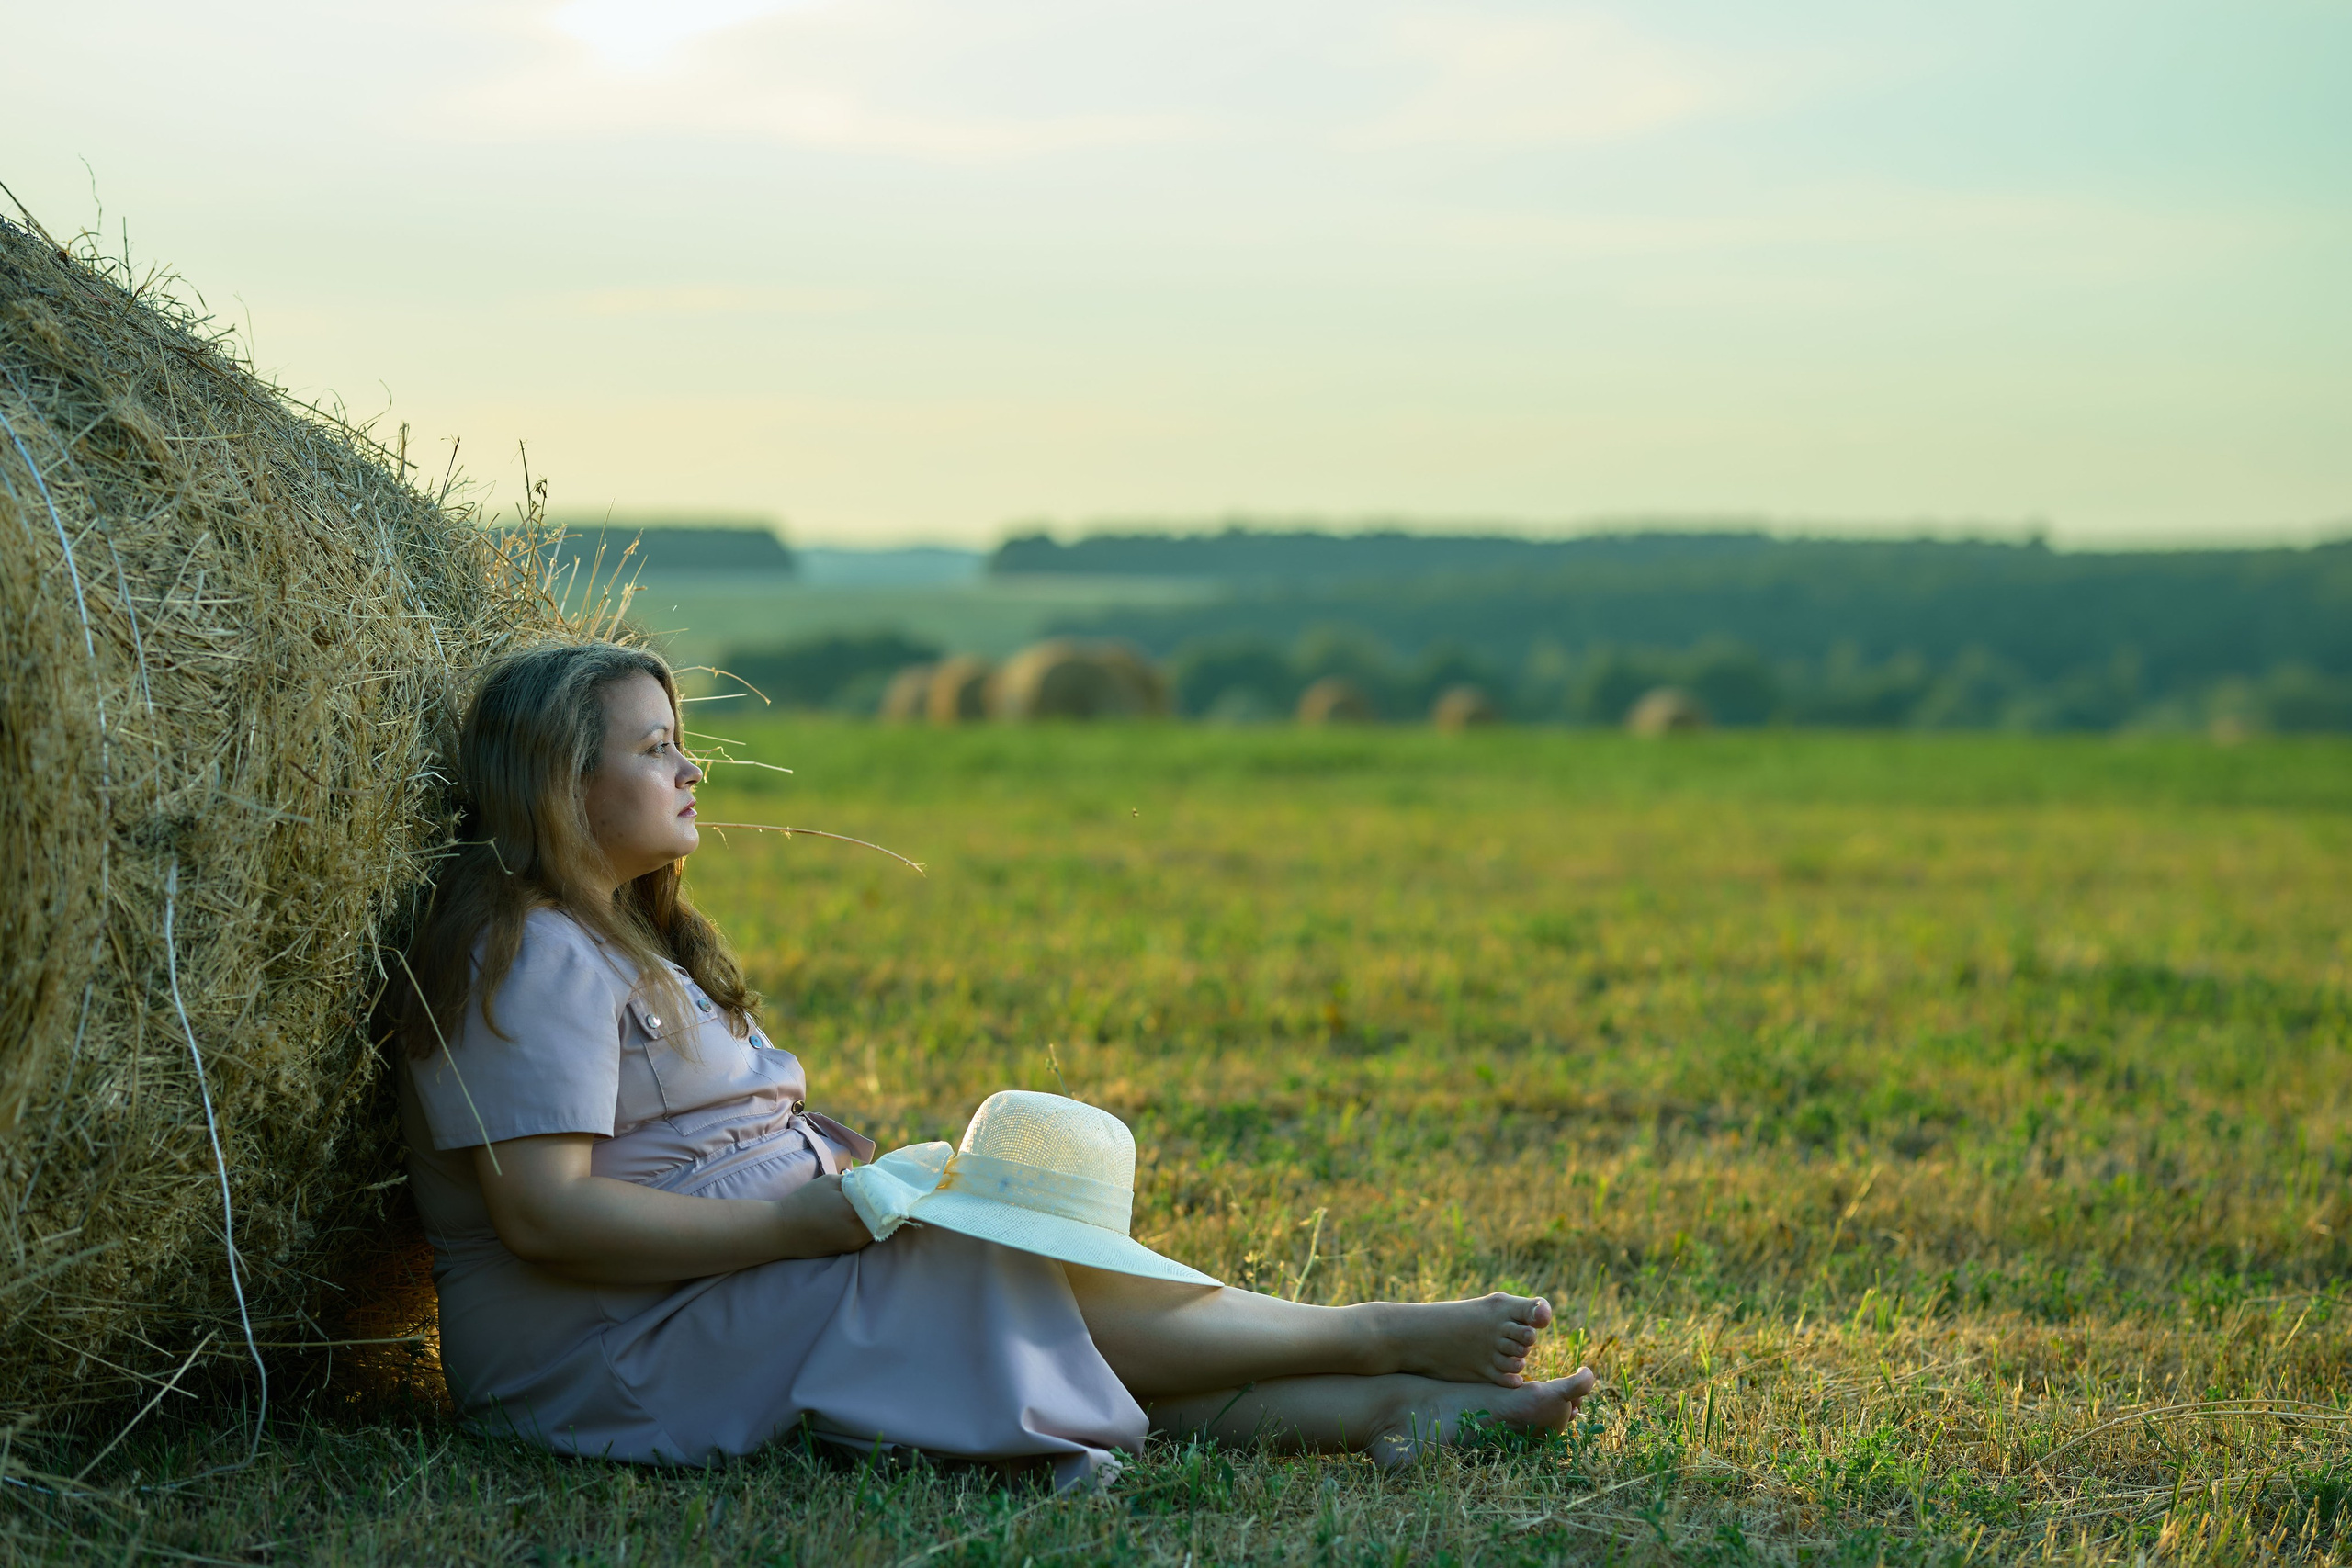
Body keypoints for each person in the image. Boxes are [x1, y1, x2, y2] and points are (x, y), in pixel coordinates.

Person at [396, 640, 1595, 1488]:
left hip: (698, 1295)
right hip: (609, 1351)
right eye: (657, 748)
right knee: (996, 1265)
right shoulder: (528, 948)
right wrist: (793, 1227)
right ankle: (1374, 1340)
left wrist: (828, 1161)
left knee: (1026, 1247)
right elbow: (546, 1220)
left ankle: (1394, 1409)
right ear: (563, 787)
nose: (691, 768)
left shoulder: (619, 933)